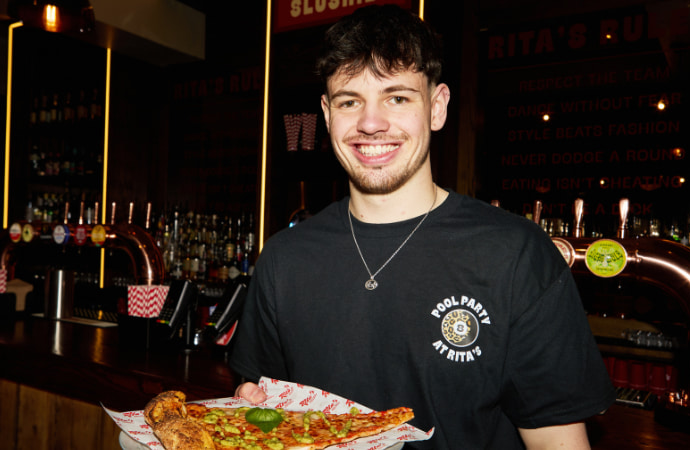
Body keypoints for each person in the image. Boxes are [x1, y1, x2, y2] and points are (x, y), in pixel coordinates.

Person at [229, 5, 615, 449]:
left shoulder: (516, 254)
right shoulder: (283, 259)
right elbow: (268, 415)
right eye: (349, 101)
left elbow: (557, 443)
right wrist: (254, 416)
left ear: (437, 107)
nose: (370, 124)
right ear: (327, 113)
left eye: (397, 97)